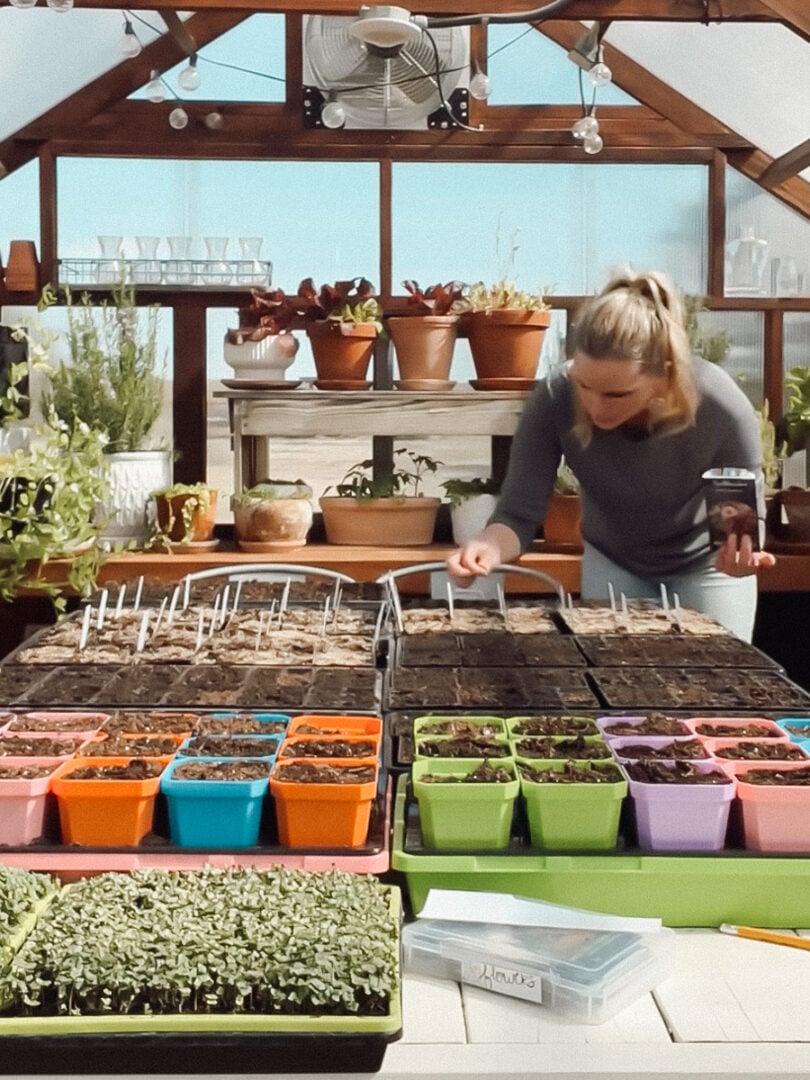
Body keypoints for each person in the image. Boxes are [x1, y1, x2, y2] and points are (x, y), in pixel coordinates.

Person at [446, 269, 776, 642]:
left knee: (718, 686)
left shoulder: (719, 405)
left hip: (705, 568)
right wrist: (486, 548)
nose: (595, 406)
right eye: (585, 385)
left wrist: (739, 558)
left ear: (665, 376)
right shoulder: (556, 396)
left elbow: (739, 525)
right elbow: (519, 515)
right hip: (614, 562)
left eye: (617, 395)